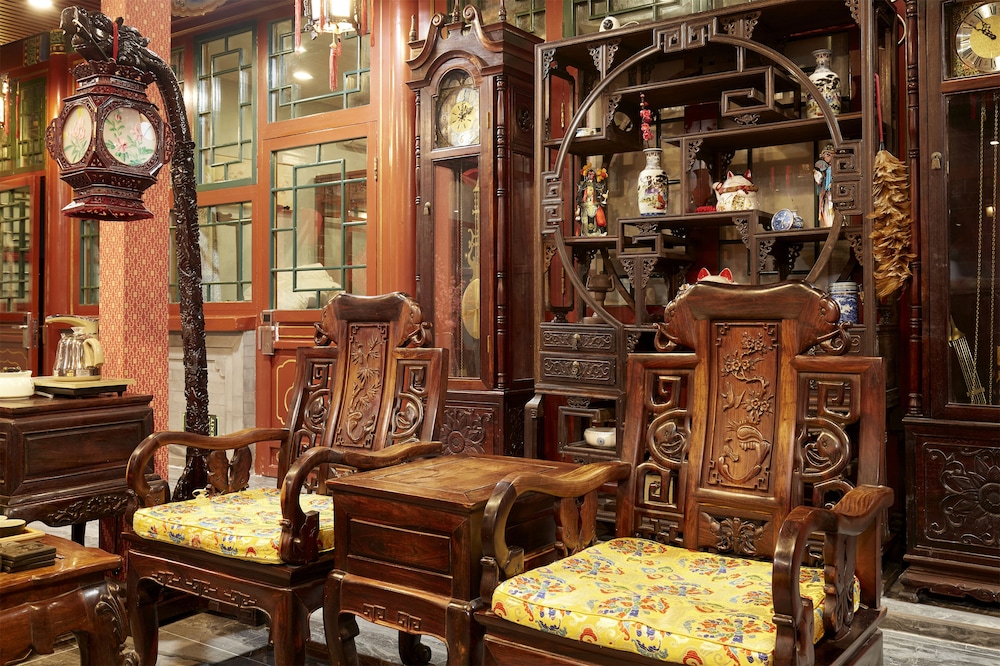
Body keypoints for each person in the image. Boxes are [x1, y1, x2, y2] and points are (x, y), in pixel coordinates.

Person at [575, 163, 608, 235]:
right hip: (585, 205)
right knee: (585, 221)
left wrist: (603, 195)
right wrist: (578, 208)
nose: (590, 176)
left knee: (597, 219)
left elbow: (600, 192)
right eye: (589, 174)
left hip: (594, 204)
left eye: (592, 174)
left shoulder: (596, 185)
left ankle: (598, 233)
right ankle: (585, 234)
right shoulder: (583, 185)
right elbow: (579, 196)